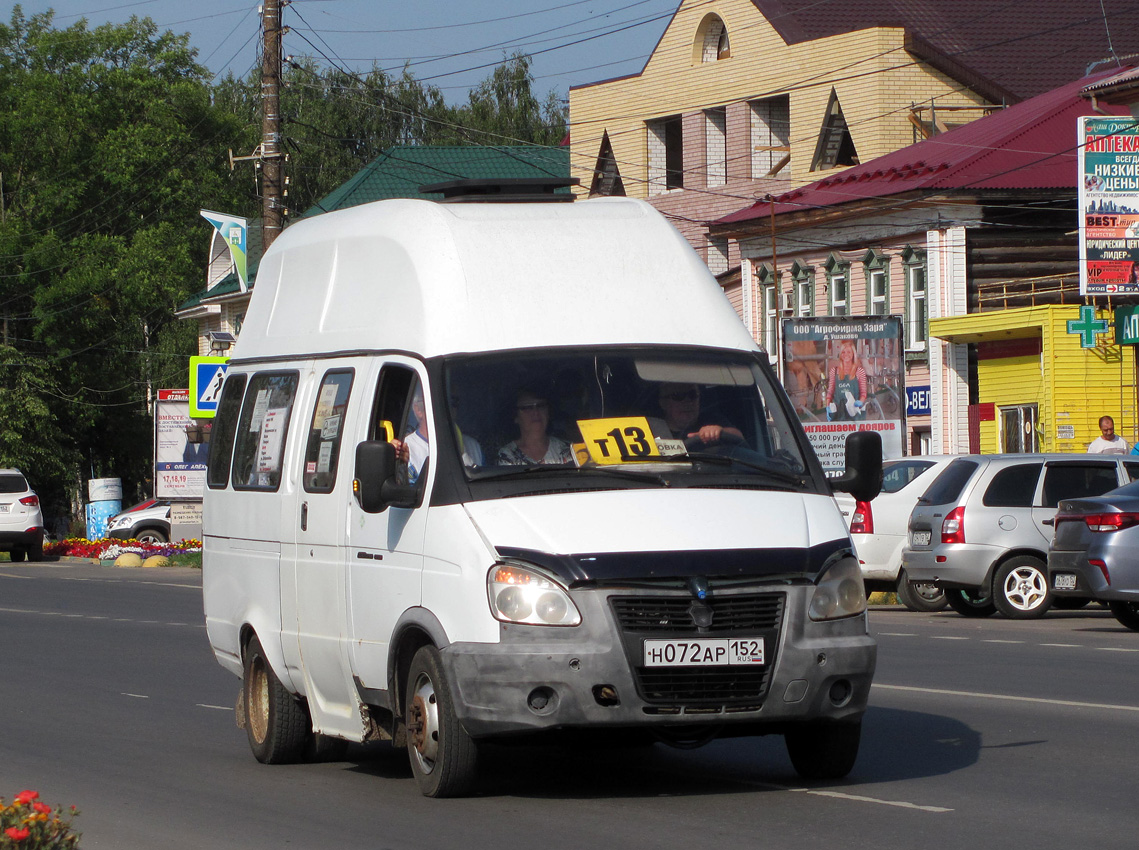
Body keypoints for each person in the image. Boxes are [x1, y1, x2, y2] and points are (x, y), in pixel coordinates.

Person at [498, 389, 574, 465]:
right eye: (527, 408)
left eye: (541, 406)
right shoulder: (508, 455)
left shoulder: (569, 450)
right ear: (515, 416)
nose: (536, 412)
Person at [655, 382, 743, 446]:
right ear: (663, 403)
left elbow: (739, 438)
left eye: (692, 395)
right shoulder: (651, 429)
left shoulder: (711, 420)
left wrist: (719, 431)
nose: (687, 401)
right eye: (678, 396)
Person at [825, 339, 868, 421]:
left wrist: (860, 402)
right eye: (843, 352)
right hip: (838, 413)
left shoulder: (859, 371)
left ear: (853, 354)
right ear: (840, 354)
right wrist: (828, 407)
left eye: (848, 352)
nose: (846, 355)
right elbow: (830, 391)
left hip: (854, 413)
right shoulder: (834, 371)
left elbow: (863, 393)